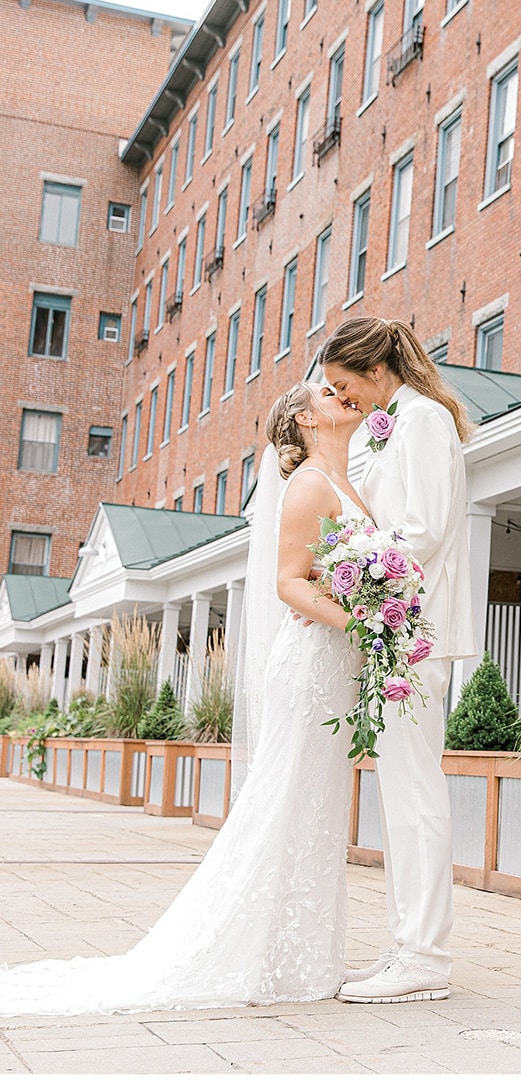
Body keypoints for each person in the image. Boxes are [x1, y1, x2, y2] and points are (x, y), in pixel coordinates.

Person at [0, 382, 372, 1016]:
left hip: (333, 662)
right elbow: (288, 584)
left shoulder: (346, 482)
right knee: (290, 798)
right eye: (331, 392)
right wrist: (365, 620)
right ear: (307, 419)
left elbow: (332, 572)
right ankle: (260, 951)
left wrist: (371, 606)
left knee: (319, 803)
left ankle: (305, 952)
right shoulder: (310, 484)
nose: (346, 395)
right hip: (311, 662)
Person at [320, 316, 477, 1005]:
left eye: (342, 386)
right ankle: (407, 947)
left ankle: (424, 957)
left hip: (414, 635)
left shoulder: (421, 422)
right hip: (395, 631)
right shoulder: (397, 421)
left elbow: (423, 529)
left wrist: (350, 570)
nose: (340, 397)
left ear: (376, 371)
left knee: (414, 794)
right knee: (401, 793)